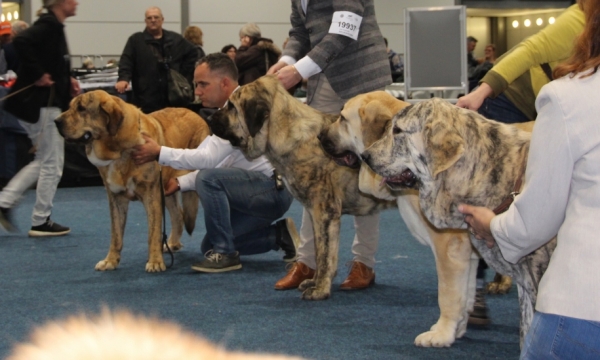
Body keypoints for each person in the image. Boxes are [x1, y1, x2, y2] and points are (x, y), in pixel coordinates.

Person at [459, 2, 600, 358]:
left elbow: (535, 221)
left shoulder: (568, 97)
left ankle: (478, 287)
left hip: (581, 309)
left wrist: (493, 225)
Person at [131, 53, 299, 273]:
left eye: (203, 84)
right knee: (208, 246)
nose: (197, 91)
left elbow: (207, 160)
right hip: (261, 192)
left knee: (208, 180)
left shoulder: (239, 109)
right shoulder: (229, 109)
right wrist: (180, 184)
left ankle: (226, 254)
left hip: (271, 191)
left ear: (225, 83)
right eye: (196, 84)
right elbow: (219, 159)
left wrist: (158, 152)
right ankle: (279, 235)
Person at [267, 0, 392, 291]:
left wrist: (299, 70)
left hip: (361, 77)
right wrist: (286, 61)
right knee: (312, 174)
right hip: (323, 78)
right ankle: (307, 261)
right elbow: (300, 31)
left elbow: (344, 30)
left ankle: (364, 263)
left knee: (368, 172)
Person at [0, 0, 80, 236]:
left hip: (44, 104)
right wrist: (38, 74)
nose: (76, 3)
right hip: (42, 105)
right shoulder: (48, 25)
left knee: (44, 161)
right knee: (52, 165)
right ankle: (40, 220)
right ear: (61, 3)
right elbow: (22, 41)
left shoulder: (54, 26)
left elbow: (55, 62)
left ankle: (5, 203)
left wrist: (69, 80)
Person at [457, 4, 584, 123]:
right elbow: (530, 51)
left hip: (543, 110)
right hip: (508, 100)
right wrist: (480, 93)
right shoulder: (582, 18)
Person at [115, 7, 197, 113]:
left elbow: (193, 53)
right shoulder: (135, 41)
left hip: (172, 97)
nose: (153, 20)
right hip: (145, 97)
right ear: (145, 21)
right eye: (149, 18)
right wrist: (123, 78)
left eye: (156, 17)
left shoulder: (175, 39)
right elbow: (126, 61)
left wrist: (183, 75)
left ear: (162, 19)